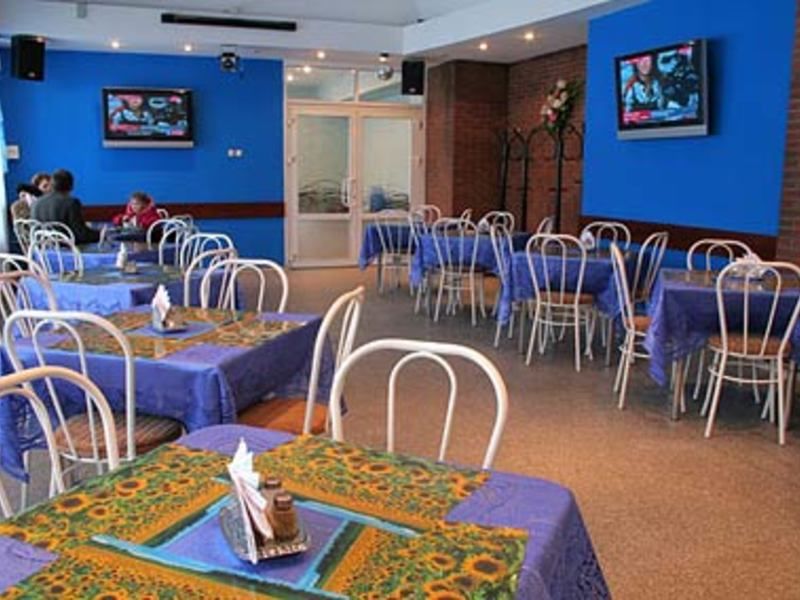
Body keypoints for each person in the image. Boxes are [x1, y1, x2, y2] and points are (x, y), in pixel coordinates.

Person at [32, 169, 100, 244]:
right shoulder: (71, 202)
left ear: (52, 184)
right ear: (71, 186)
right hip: (66, 249)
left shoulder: (36, 203)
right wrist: (101, 234)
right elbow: (81, 235)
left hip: (41, 249)